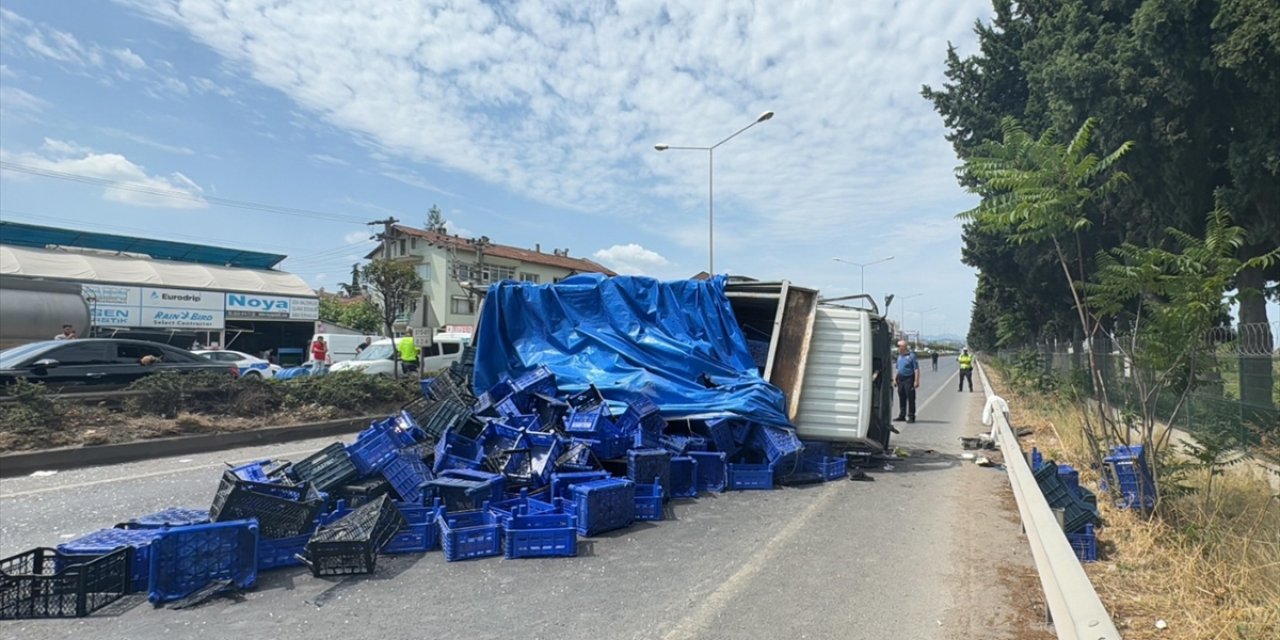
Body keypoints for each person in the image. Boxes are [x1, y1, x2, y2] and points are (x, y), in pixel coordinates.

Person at [891, 340, 920, 423]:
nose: (898, 348)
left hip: (909, 379)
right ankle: (902, 415)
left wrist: (916, 381)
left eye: (899, 346)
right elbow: (897, 368)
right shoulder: (899, 356)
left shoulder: (911, 356)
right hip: (901, 379)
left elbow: (916, 369)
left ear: (904, 347)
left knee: (910, 398)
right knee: (902, 397)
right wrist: (895, 379)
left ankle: (911, 416)